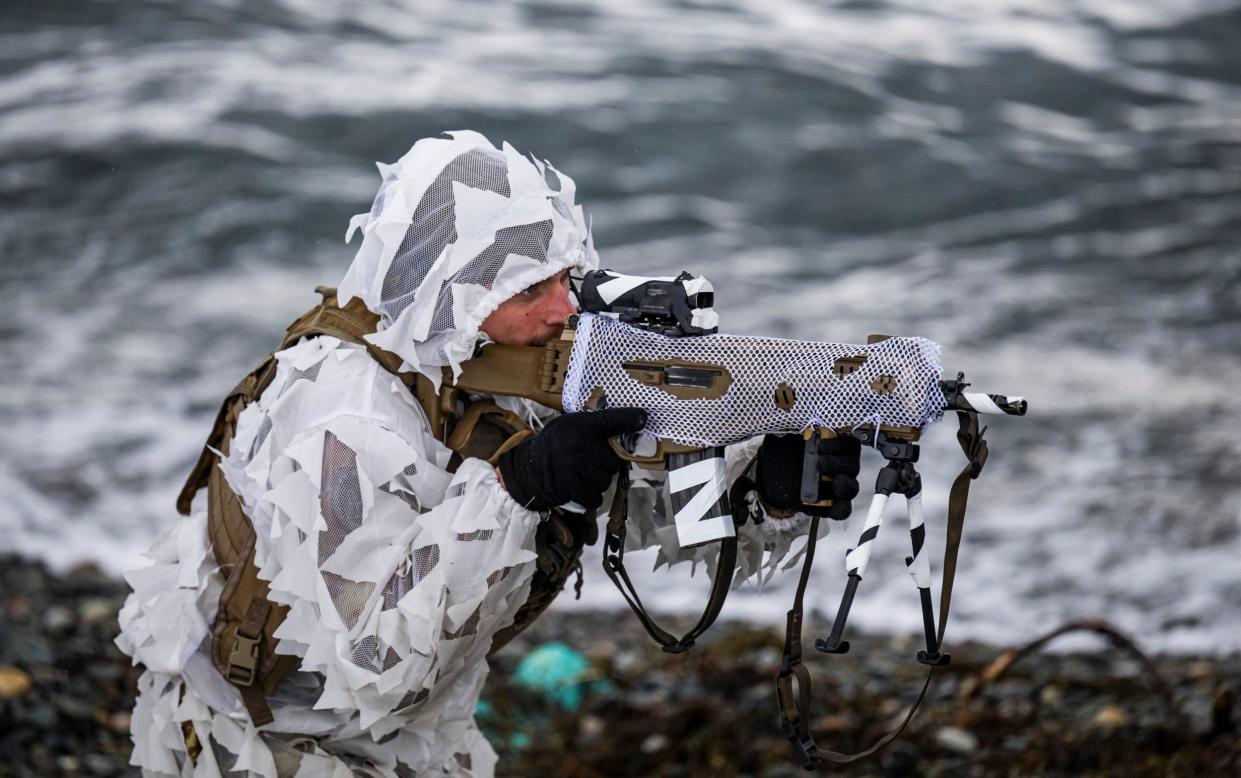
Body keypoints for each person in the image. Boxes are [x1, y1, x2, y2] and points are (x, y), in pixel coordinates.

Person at [116, 130, 860, 777]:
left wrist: (761, 489)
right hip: (274, 747)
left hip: (413, 741)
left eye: (563, 277)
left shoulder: (483, 354)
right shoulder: (343, 420)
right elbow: (376, 666)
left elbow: (617, 499)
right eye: (530, 286)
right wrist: (519, 489)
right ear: (451, 289)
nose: (563, 307)